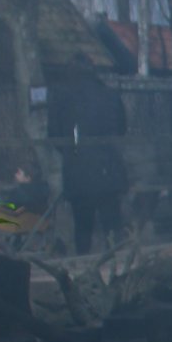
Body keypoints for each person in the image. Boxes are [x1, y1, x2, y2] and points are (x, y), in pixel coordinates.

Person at [48, 54, 128, 253]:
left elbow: (54, 136)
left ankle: (83, 262)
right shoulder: (110, 95)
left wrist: (73, 152)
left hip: (79, 171)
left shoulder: (62, 98)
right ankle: (118, 264)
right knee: (112, 225)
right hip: (109, 170)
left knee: (83, 227)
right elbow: (121, 129)